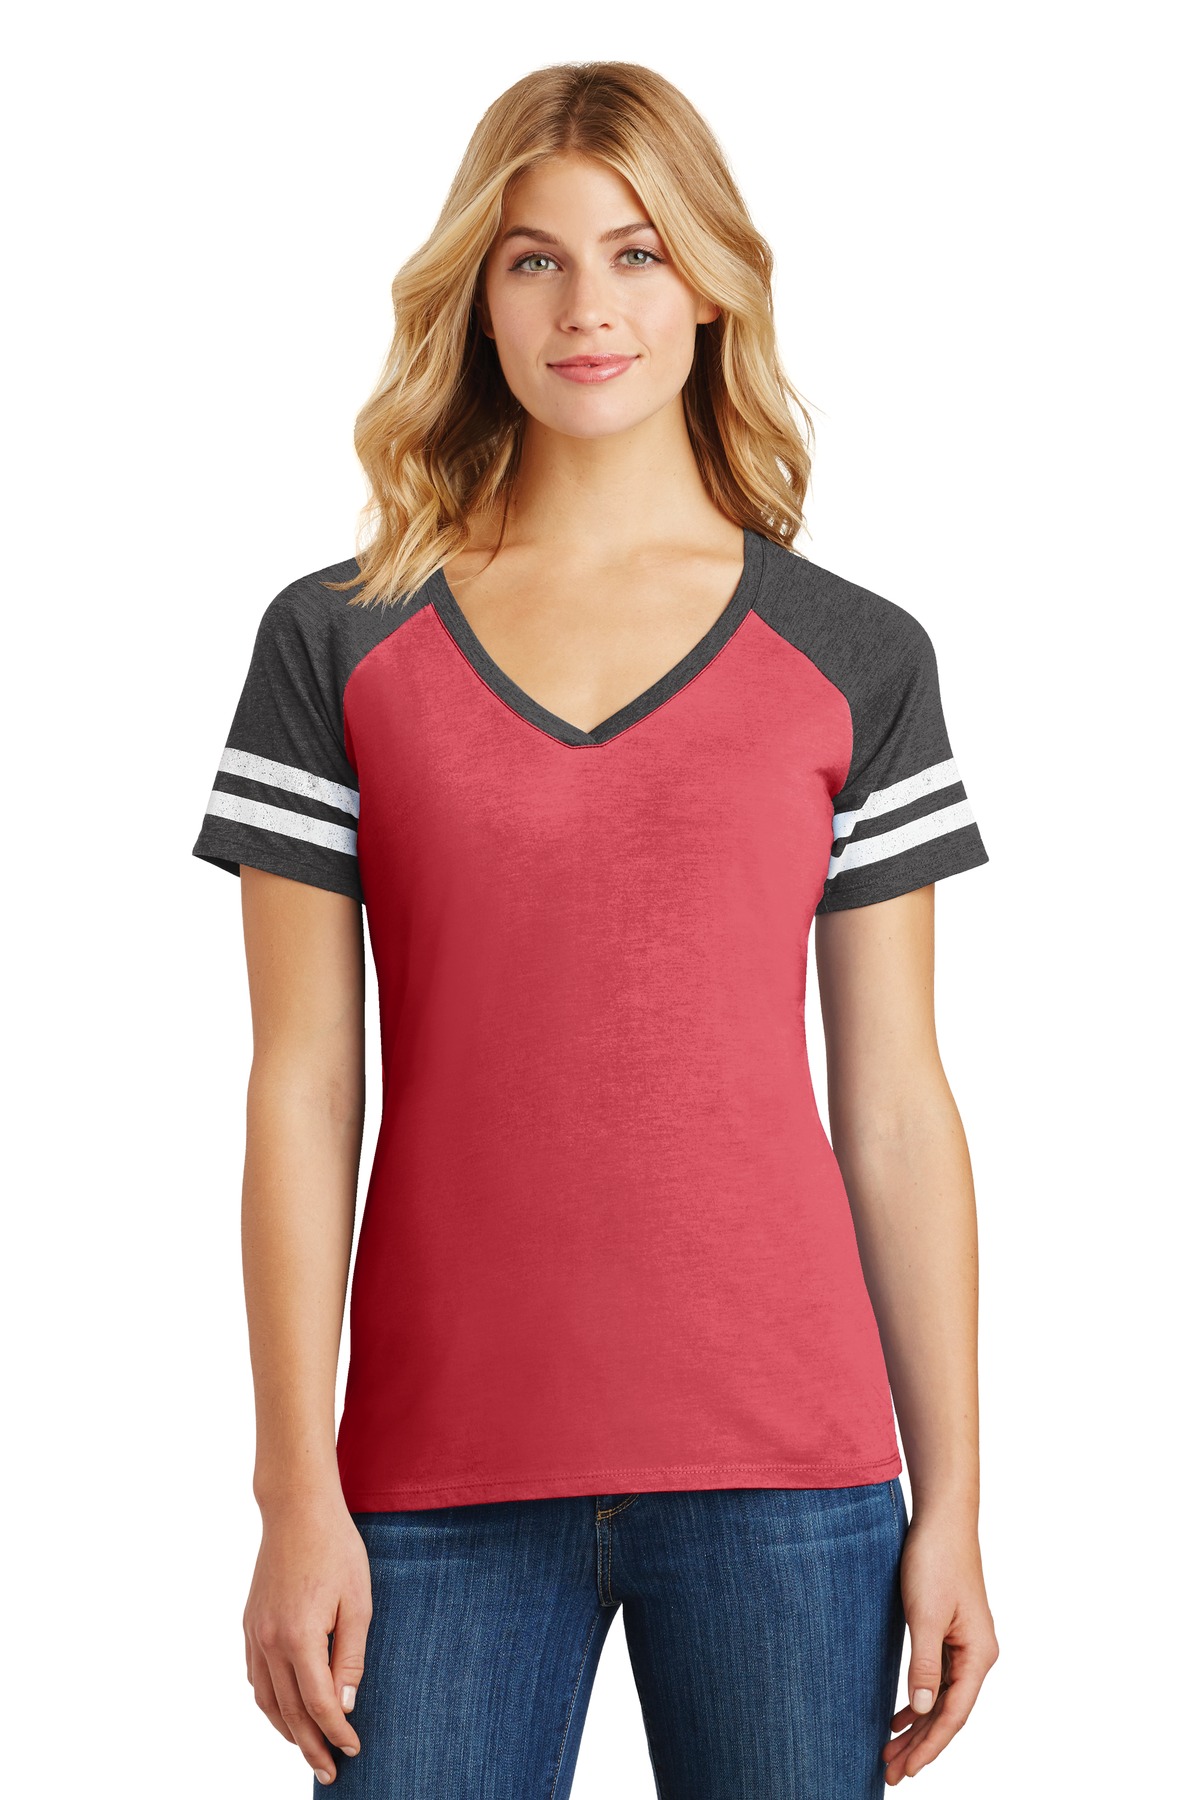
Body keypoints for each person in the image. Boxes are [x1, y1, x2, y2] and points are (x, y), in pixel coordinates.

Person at [191, 59, 999, 1799]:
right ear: (476, 298)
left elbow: (895, 1104)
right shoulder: (338, 644)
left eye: (637, 253)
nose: (588, 308)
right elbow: (301, 1090)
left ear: (711, 284)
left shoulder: (858, 657)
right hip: (426, 1487)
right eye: (534, 260)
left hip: (792, 1482)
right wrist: (291, 1489)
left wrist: (956, 1505)